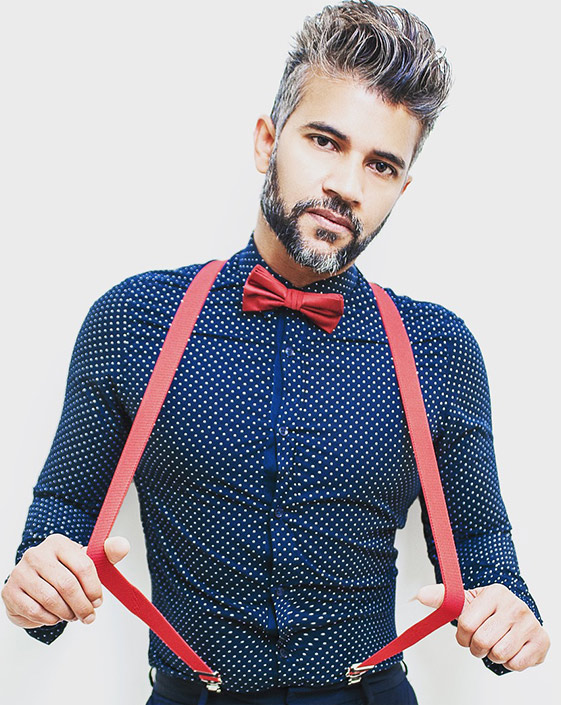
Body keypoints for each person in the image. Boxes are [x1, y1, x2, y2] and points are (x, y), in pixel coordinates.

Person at [2, 2, 550, 704]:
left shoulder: (439, 349)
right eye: (324, 141)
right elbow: (59, 520)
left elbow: (482, 552)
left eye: (381, 165)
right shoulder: (134, 320)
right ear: (267, 142)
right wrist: (37, 584)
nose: (346, 186)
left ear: (402, 188)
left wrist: (510, 618)